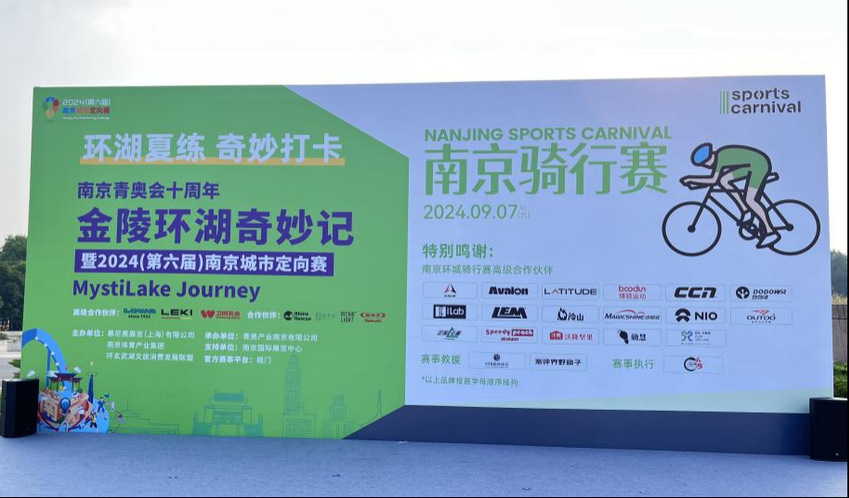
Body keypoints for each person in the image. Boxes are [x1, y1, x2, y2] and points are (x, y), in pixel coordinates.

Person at [680, 142, 780, 248]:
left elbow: (713, 180)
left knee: (750, 199)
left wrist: (691, 179)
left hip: (759, 165)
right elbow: (716, 180)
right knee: (723, 180)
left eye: (706, 163)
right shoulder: (720, 156)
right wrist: (696, 183)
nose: (707, 166)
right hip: (750, 165)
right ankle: (745, 209)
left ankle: (770, 231)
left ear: (710, 157)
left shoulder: (721, 158)